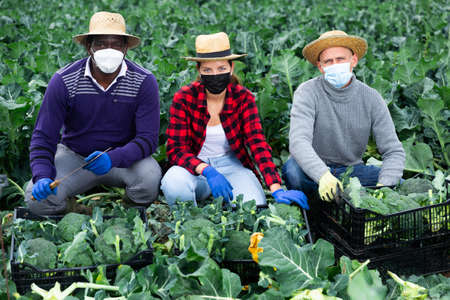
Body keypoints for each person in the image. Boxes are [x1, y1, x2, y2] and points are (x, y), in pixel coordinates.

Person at [25, 11, 161, 215]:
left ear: (125, 48)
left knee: (149, 180)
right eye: (101, 44)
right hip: (76, 157)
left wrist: (113, 157)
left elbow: (148, 139)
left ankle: (127, 212)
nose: (109, 49)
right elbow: (43, 136)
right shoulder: (64, 80)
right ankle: (74, 209)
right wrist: (42, 175)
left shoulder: (143, 81)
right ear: (89, 47)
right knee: (35, 200)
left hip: (124, 159)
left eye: (116, 44)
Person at [161, 32, 308, 209]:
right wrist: (206, 170)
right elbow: (176, 149)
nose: (215, 74)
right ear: (199, 71)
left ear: (231, 68)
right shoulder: (184, 97)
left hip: (231, 165)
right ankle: (188, 219)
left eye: (221, 69)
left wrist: (276, 188)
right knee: (173, 184)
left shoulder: (243, 98)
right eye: (208, 70)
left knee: (254, 205)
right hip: (194, 168)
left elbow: (257, 144)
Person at [283, 30, 405, 202]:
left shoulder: (371, 98)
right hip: (314, 169)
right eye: (328, 61)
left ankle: (342, 199)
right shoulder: (307, 92)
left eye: (340, 59)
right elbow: (298, 142)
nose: (335, 64)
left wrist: (384, 188)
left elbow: (393, 150)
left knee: (399, 181)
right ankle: (321, 209)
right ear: (320, 66)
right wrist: (322, 175)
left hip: (351, 170)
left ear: (353, 60)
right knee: (293, 172)